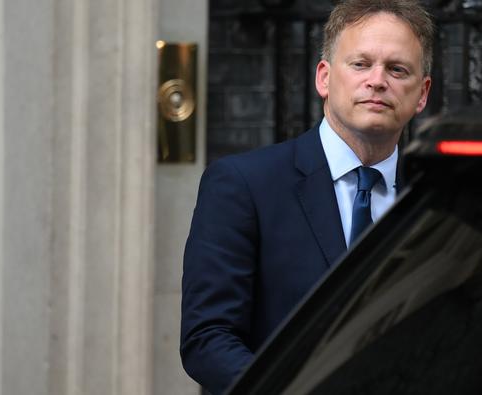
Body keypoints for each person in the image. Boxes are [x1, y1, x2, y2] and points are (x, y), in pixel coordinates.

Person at [180, 0, 433, 393]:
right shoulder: (243, 184)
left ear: (422, 94)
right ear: (324, 79)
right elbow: (208, 337)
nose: (378, 80)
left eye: (397, 69)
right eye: (361, 64)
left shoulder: (434, 198)